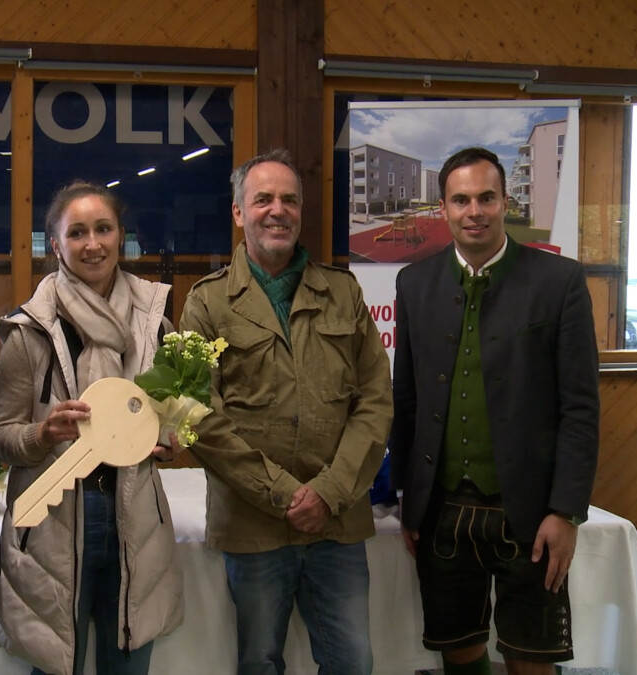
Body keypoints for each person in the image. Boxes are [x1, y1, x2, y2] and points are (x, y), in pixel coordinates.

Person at [179, 149, 392, 675]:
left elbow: (375, 399)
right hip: (254, 525)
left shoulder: (344, 292)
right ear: (238, 213)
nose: (278, 210)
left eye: (289, 200)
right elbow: (195, 410)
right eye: (263, 199)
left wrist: (328, 491)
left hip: (336, 520)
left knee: (353, 662)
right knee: (258, 662)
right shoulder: (204, 303)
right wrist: (282, 493)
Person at [390, 146, 600, 675]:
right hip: (442, 511)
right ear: (443, 208)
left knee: (532, 659)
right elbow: (407, 403)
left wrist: (567, 510)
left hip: (530, 512)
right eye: (461, 200)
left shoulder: (560, 283)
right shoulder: (414, 285)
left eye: (486, 197)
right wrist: (409, 503)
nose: (474, 210)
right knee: (459, 651)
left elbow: (580, 408)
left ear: (507, 201)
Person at [0, 181, 184, 675]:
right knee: (58, 663)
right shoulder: (28, 330)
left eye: (103, 228)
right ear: (54, 244)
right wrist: (43, 434)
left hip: (134, 511)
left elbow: (165, 414)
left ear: (122, 236)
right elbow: (2, 438)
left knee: (128, 659)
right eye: (77, 232)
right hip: (55, 524)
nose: (92, 243)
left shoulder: (156, 322)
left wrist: (168, 438)